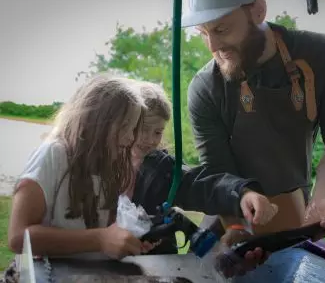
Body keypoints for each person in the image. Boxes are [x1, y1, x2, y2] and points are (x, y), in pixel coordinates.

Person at [3, 74, 275, 282]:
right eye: (127, 128)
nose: (131, 139)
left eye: (135, 129)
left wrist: (128, 239)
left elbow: (198, 183)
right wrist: (100, 239)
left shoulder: (114, 162)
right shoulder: (53, 155)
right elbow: (18, 237)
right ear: (95, 122)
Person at [183, 0, 325, 273]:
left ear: (258, 11)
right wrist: (238, 228)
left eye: (222, 29)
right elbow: (217, 173)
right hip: (229, 219)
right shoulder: (205, 88)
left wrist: (324, 197)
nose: (213, 47)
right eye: (203, 33)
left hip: (295, 214)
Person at [126, 81, 278, 259]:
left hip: (156, 262)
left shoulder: (164, 169)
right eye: (144, 130)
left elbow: (205, 185)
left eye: (157, 132)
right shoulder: (101, 168)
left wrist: (243, 193)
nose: (150, 140)